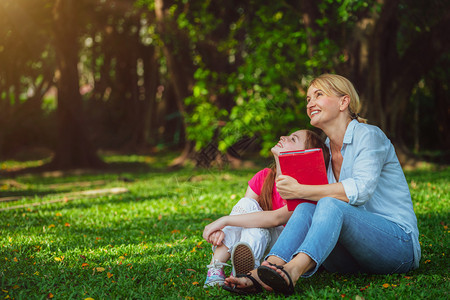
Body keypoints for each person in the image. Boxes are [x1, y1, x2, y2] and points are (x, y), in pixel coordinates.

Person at [221, 74, 421, 296]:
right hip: (351, 259)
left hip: (396, 248)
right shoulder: (321, 151)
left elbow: (360, 190)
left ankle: (292, 271)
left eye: (318, 95)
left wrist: (303, 190)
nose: (310, 103)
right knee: (307, 207)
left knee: (329, 203)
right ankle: (266, 270)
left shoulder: (369, 136)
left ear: (344, 102)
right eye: (308, 99)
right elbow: (299, 204)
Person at [202, 129, 330, 289]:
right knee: (247, 207)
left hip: (285, 250)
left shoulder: (305, 189)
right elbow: (244, 211)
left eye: (293, 139)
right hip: (259, 241)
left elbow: (275, 218)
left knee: (253, 222)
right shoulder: (264, 176)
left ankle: (246, 275)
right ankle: (218, 268)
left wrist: (224, 220)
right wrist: (225, 228)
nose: (283, 137)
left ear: (304, 155)